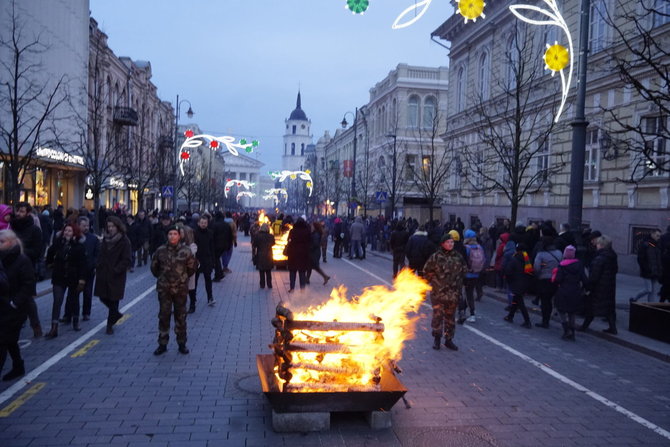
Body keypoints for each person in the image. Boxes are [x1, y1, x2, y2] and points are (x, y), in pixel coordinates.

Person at [150, 226, 197, 355]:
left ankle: (182, 343)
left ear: (179, 236)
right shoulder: (160, 251)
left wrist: (182, 279)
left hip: (180, 290)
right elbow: (154, 268)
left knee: (180, 316)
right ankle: (162, 343)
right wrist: (163, 279)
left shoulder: (186, 251)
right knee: (164, 316)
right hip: (164, 289)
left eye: (175, 234)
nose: (172, 236)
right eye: (170, 234)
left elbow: (192, 268)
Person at [0, 229, 35, 381]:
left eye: (2, 242)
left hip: (16, 309)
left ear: (12, 242)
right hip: (3, 306)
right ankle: (18, 366)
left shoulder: (22, 260)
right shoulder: (2, 259)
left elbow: (28, 285)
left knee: (2, 341)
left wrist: (15, 303)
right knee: (10, 340)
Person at [423, 233, 466, 351]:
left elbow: (464, 271)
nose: (450, 244)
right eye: (448, 242)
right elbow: (426, 271)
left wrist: (458, 286)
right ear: (443, 244)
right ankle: (437, 339)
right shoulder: (436, 257)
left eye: (452, 242)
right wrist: (436, 281)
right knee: (438, 317)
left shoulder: (458, 257)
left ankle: (449, 340)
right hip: (438, 294)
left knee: (450, 318)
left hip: (453, 294)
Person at [44, 222, 86, 337]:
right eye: (65, 231)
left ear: (74, 233)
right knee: (57, 301)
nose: (67, 233)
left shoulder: (79, 246)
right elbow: (49, 254)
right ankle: (54, 328)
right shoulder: (58, 243)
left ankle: (75, 322)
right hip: (59, 276)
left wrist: (82, 279)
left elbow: (83, 264)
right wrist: (50, 264)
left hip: (74, 277)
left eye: (69, 231)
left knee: (74, 299)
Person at [95, 216, 132, 335]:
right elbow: (101, 254)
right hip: (104, 273)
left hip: (116, 275)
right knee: (103, 297)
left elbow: (127, 259)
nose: (110, 229)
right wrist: (98, 266)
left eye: (112, 226)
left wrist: (117, 269)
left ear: (118, 227)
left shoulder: (124, 240)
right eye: (109, 226)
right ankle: (116, 314)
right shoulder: (105, 239)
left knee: (114, 299)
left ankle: (109, 325)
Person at [10, 202, 43, 338]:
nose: (19, 214)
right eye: (17, 211)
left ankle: (35, 325)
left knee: (27, 298)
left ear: (28, 213)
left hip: (27, 267)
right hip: (10, 266)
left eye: (22, 211)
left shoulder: (35, 230)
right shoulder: (11, 227)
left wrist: (20, 250)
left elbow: (37, 251)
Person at [581, 235, 618, 334]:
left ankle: (584, 326)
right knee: (609, 308)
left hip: (599, 287)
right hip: (609, 286)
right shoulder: (612, 256)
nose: (596, 246)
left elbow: (594, 275)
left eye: (597, 244)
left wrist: (588, 286)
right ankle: (613, 328)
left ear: (601, 245)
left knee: (591, 308)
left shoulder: (600, 258)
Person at [552, 245, 587, 341]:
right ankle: (572, 332)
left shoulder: (562, 265)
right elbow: (584, 279)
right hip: (575, 290)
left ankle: (566, 330)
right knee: (572, 312)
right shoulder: (579, 265)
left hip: (563, 290)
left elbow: (558, 279)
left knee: (561, 310)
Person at [532, 235, 562, 328]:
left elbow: (537, 268)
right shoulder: (559, 253)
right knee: (550, 300)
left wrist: (538, 275)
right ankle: (548, 318)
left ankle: (545, 321)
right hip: (556, 279)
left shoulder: (541, 254)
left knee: (545, 301)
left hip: (544, 279)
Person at [503, 243, 533, 328]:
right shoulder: (527, 259)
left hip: (516, 283)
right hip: (525, 283)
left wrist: (508, 279)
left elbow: (508, 271)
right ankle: (510, 316)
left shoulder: (514, 259)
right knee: (516, 300)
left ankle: (527, 321)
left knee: (520, 302)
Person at [630, 229, 662, 303]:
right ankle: (634, 298)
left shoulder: (657, 245)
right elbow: (640, 259)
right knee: (648, 289)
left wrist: (660, 269)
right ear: (652, 234)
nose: (658, 237)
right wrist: (645, 268)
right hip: (647, 271)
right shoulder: (645, 244)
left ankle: (651, 307)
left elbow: (659, 258)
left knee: (653, 292)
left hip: (656, 271)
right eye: (657, 235)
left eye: (659, 236)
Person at [78, 217, 100, 321]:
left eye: (87, 225)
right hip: (76, 270)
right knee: (74, 293)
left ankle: (86, 313)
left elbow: (97, 254)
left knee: (87, 292)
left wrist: (94, 265)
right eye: (84, 226)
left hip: (89, 269)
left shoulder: (93, 238)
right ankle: (70, 313)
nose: (86, 227)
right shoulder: (76, 237)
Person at [461, 229, 485, 323]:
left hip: (467, 274)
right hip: (476, 273)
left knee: (468, 294)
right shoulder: (480, 247)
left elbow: (463, 261)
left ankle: (471, 313)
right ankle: (466, 310)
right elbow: (484, 259)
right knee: (469, 293)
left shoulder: (466, 248)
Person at [194, 215, 216, 306]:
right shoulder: (195, 233)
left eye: (205, 223)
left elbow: (212, 248)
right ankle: (193, 297)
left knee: (208, 279)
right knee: (195, 280)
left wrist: (213, 261)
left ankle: (210, 297)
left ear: (207, 223)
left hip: (207, 259)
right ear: (198, 223)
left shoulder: (210, 233)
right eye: (202, 223)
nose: (203, 224)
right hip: (197, 259)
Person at [286, 217, 311, 292]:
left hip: (293, 253)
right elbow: (310, 241)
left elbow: (289, 240)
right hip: (303, 254)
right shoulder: (307, 231)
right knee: (302, 272)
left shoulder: (292, 231)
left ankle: (292, 288)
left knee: (292, 271)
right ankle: (302, 289)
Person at [179, 225, 198, 313]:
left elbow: (190, 255)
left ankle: (192, 305)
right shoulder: (178, 243)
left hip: (189, 270)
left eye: (182, 232)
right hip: (179, 270)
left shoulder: (192, 245)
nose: (180, 234)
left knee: (190, 289)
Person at [252, 223, 275, 289]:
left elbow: (254, 245)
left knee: (261, 271)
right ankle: (269, 284)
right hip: (269, 255)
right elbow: (273, 243)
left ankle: (262, 285)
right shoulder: (271, 236)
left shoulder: (257, 236)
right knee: (268, 271)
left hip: (260, 254)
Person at [307, 221, 330, 286]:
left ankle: (325, 277)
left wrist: (310, 248)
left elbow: (315, 244)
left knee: (314, 266)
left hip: (314, 252)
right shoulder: (315, 233)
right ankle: (307, 279)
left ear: (315, 227)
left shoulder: (316, 234)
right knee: (311, 266)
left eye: (312, 226)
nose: (311, 227)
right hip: (314, 252)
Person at [211, 211, 232, 282]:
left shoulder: (215, 225)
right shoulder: (226, 225)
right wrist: (229, 245)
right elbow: (230, 236)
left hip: (216, 245)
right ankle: (220, 274)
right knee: (217, 260)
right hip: (224, 245)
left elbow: (212, 236)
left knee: (216, 260)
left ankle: (218, 275)